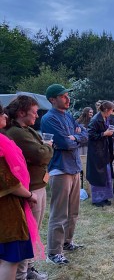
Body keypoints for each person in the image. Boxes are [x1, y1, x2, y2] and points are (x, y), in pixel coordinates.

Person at [5, 96, 53, 280]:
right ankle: (21, 274)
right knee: (28, 233)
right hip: (29, 188)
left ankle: (29, 270)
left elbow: (40, 152)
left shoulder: (26, 130)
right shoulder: (17, 133)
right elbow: (40, 155)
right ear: (21, 112)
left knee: (34, 231)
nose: (36, 115)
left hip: (37, 185)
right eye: (34, 112)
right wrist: (48, 147)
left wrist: (44, 149)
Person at [41, 84, 88, 265]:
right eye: (63, 96)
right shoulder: (49, 119)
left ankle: (67, 242)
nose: (67, 99)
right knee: (59, 213)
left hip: (74, 167)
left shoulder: (68, 116)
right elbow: (62, 143)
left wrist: (74, 137)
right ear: (53, 99)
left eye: (67, 96)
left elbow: (85, 135)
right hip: (60, 169)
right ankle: (53, 252)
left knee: (73, 212)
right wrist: (73, 139)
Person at [0, 103, 43, 280]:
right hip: (6, 209)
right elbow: (6, 180)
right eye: (1, 112)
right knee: (9, 259)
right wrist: (29, 194)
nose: (4, 115)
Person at [86, 101, 114, 207]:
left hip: (104, 151)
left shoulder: (106, 118)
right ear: (107, 110)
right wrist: (104, 134)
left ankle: (105, 197)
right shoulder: (95, 120)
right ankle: (97, 199)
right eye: (112, 110)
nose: (112, 112)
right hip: (97, 152)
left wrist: (109, 133)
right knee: (98, 175)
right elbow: (91, 135)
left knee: (106, 175)